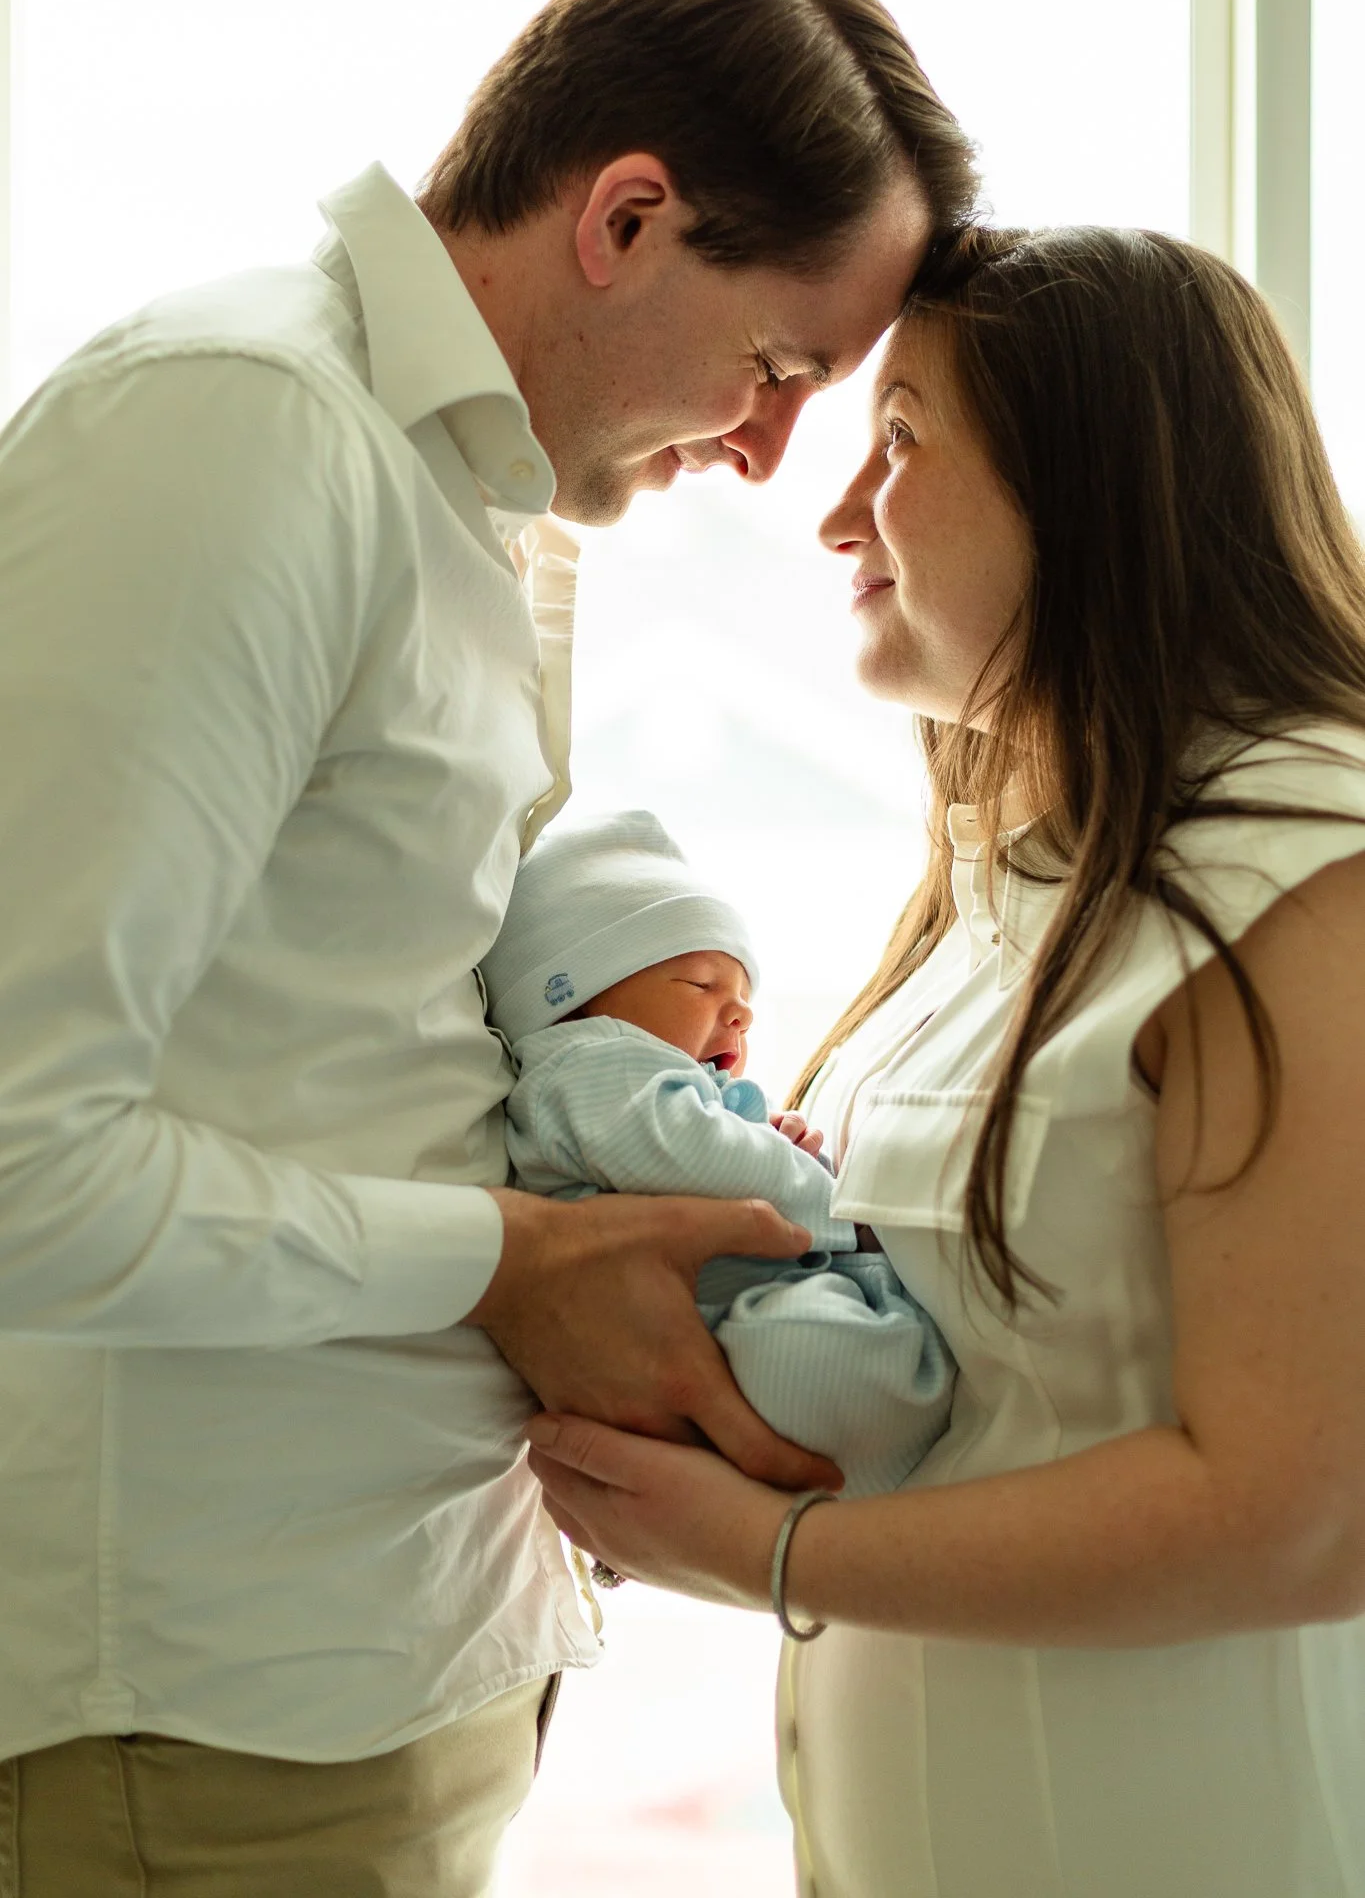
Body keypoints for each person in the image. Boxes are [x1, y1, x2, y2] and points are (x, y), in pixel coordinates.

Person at [0, 0, 977, 1897]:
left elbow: (356, 1041)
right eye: (778, 368)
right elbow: (23, 1161)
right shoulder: (244, 434)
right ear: (626, 216)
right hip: (202, 1711)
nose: (767, 453)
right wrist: (508, 1257)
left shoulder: (467, 502)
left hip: (391, 1653)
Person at [528, 224, 1365, 1897]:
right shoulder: (1006, 894)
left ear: (1100, 488)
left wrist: (764, 1548)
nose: (840, 512)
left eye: (900, 440)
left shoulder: (1301, 856)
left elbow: (1307, 1504)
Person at [482, 808, 955, 1500]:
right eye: (702, 985)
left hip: (734, 1312)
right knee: (804, 1351)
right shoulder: (583, 1060)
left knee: (813, 1344)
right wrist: (836, 1205)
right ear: (575, 997)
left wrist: (770, 1138)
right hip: (713, 1324)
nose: (739, 1013)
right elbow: (693, 1156)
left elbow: (710, 1144)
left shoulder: (647, 1079)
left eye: (743, 996)